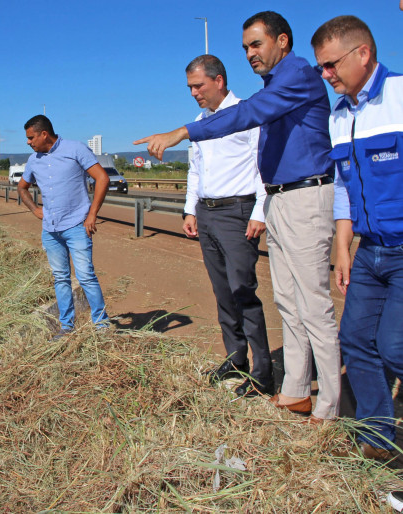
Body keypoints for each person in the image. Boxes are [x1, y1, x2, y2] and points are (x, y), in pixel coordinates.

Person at [134, 11, 341, 422]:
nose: (249, 54)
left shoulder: (296, 75)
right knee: (287, 300)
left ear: (282, 41)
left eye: (256, 44)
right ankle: (296, 390)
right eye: (246, 46)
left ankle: (330, 405)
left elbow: (244, 116)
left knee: (313, 304)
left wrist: (181, 132)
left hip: (304, 196)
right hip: (282, 197)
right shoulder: (275, 85)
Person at [312, 15, 403, 459]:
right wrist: (343, 247)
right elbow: (346, 188)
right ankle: (379, 439)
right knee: (357, 342)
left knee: (395, 346)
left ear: (362, 54)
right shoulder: (340, 115)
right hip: (370, 252)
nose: (326, 75)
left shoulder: (400, 97)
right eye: (321, 69)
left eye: (331, 65)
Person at [181, 54, 273, 398]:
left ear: (219, 81)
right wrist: (191, 210)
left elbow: (262, 164)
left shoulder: (248, 116)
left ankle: (263, 374)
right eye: (190, 87)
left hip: (238, 212)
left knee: (242, 292)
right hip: (206, 213)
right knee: (222, 293)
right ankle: (236, 359)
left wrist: (260, 211)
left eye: (198, 86)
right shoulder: (199, 121)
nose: (194, 93)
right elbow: (196, 169)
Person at [17, 114, 111, 334]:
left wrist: (92, 214)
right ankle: (66, 327)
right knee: (60, 279)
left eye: (31, 138)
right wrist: (34, 209)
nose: (28, 142)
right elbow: (22, 187)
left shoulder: (75, 149)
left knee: (86, 276)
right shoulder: (33, 160)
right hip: (50, 230)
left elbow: (102, 178)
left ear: (44, 134)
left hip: (77, 225)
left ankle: (102, 326)